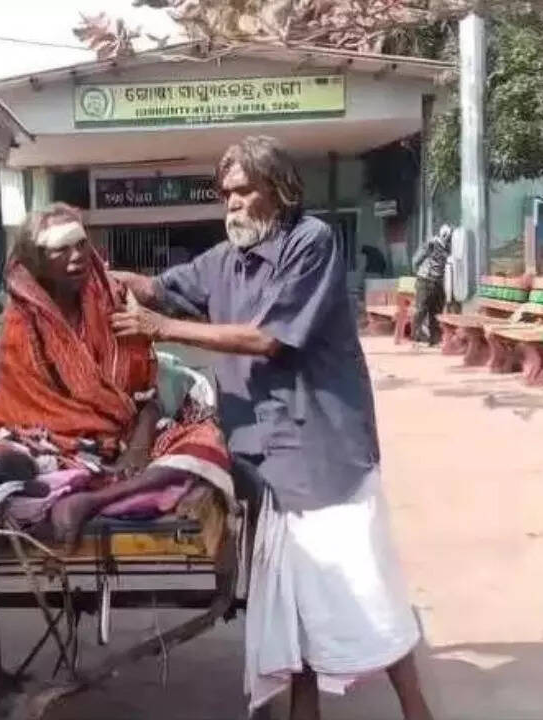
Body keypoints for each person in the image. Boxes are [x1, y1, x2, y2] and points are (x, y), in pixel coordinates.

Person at [109, 136, 432, 720]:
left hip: (322, 453)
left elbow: (268, 338)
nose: (232, 205)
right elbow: (158, 288)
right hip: (264, 461)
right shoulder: (225, 259)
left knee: (366, 595)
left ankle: (418, 712)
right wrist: (96, 273)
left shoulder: (310, 243)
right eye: (226, 194)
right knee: (295, 608)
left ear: (280, 191)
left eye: (244, 191)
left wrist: (160, 328)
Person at [0, 203, 232, 545]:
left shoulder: (114, 299)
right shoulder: (21, 321)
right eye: (61, 249)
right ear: (37, 260)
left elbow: (147, 394)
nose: (77, 256)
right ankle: (75, 482)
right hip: (52, 441)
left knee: (204, 440)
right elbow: (20, 406)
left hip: (125, 432)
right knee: (5, 454)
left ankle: (92, 499)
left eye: (81, 244)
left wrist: (139, 446)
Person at [410, 224, 453, 346]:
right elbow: (416, 260)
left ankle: (435, 340)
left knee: (436, 311)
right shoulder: (431, 244)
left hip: (439, 282)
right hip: (425, 280)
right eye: (448, 237)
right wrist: (420, 274)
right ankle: (415, 338)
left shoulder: (448, 248)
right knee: (421, 310)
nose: (449, 239)